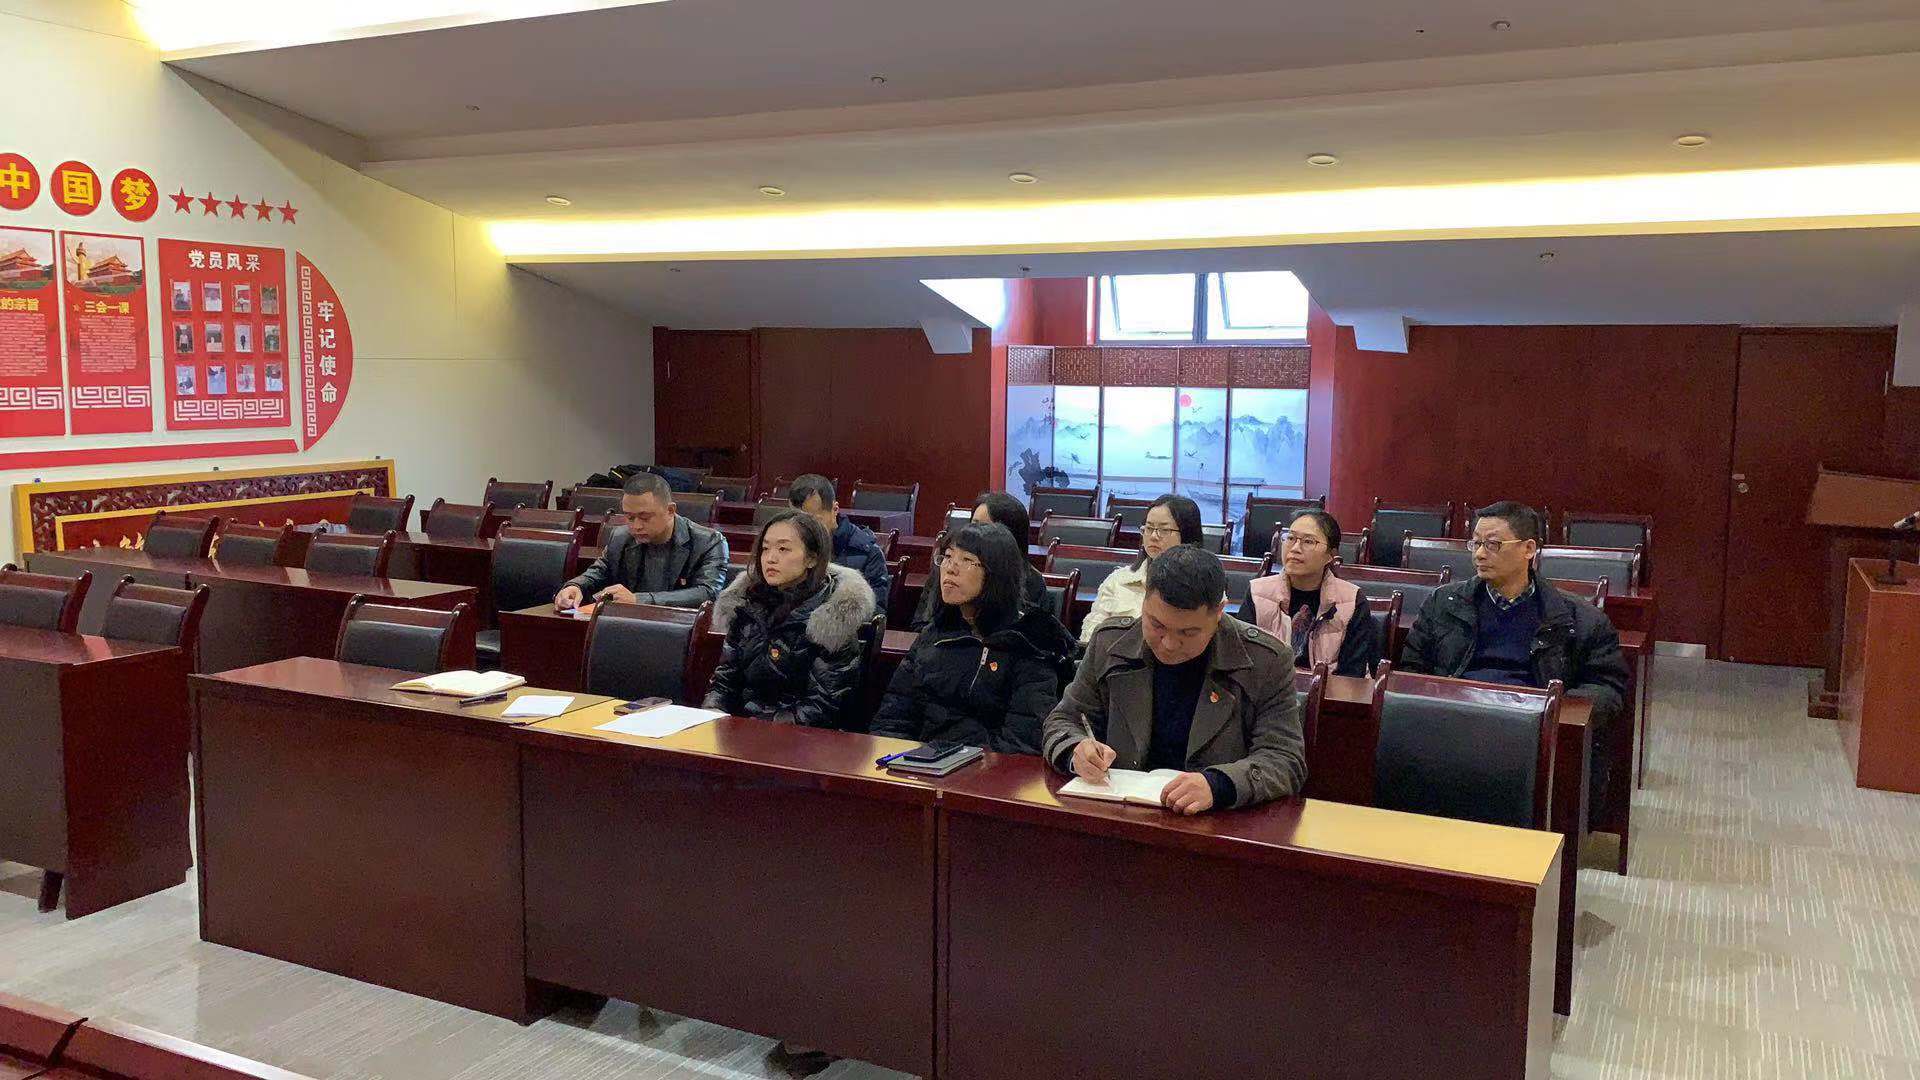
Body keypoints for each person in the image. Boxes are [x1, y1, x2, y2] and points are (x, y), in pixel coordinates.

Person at [1041, 545, 1306, 814]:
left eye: (1188, 633)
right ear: (1144, 600)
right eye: (1156, 625)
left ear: (1219, 613)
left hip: (1215, 822)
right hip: (1120, 812)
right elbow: (1064, 720)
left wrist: (1219, 785)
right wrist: (1076, 750)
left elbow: (1284, 759)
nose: (1168, 644)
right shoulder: (1109, 643)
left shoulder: (1266, 661)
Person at [1398, 500, 1629, 806]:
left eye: (1492, 544)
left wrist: (1547, 713)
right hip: (1454, 722)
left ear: (1528, 549)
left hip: (1530, 731)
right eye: (1476, 543)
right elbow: (1411, 671)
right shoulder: (1443, 603)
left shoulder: (1578, 618)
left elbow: (1607, 689)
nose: (1479, 554)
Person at [872, 522, 1075, 753]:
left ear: (996, 574)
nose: (950, 569)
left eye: (967, 560)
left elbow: (1022, 743)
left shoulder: (1030, 644)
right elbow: (891, 721)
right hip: (921, 763)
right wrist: (903, 760)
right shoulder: (934, 634)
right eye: (948, 557)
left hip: (986, 769)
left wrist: (955, 762)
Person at [702, 510, 876, 730]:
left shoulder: (832, 618)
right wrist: (712, 714)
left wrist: (756, 729)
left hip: (800, 738)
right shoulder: (747, 604)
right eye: (765, 548)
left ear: (812, 558)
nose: (770, 558)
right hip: (742, 730)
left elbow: (822, 707)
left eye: (783, 549)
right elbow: (723, 683)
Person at [554, 471, 728, 614]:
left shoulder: (709, 542)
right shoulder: (621, 537)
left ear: (670, 510)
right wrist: (576, 586)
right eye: (629, 517)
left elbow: (708, 593)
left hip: (680, 628)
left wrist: (639, 600)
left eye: (645, 517)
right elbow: (600, 571)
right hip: (627, 626)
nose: (636, 526)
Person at [1240, 509, 1381, 677]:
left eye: (1308, 541)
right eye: (1290, 538)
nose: (1295, 548)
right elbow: (1241, 660)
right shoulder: (1258, 593)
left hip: (1329, 691)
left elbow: (1352, 676)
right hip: (1267, 691)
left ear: (1331, 555)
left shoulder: (1352, 601)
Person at [909, 491, 1048, 631]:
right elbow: (921, 623)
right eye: (974, 525)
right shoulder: (947, 565)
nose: (977, 534)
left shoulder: (1032, 581)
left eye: (988, 529)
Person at [1078, 494, 1202, 643]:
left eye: (1164, 530)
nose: (1153, 536)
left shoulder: (1204, 585)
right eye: (1148, 528)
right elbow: (1090, 638)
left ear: (1187, 535)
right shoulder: (1118, 581)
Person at [789, 474, 892, 616]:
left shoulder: (867, 553)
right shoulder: (785, 549)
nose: (804, 530)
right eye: (797, 522)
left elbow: (874, 615)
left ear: (835, 509)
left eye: (813, 521)